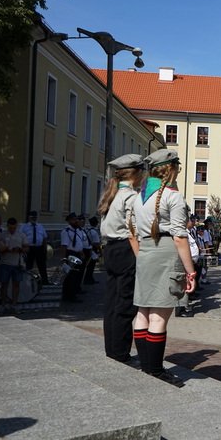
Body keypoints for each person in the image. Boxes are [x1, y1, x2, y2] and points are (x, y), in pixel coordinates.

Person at [133, 149, 196, 386]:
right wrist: (190, 271)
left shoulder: (139, 196)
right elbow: (180, 237)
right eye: (178, 166)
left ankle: (145, 364)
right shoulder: (173, 197)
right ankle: (156, 370)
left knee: (143, 312)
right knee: (159, 316)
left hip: (146, 252)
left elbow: (132, 231)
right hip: (166, 252)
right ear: (171, 169)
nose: (179, 170)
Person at [98, 153, 144, 364]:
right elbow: (133, 232)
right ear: (136, 173)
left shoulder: (111, 194)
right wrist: (141, 259)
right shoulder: (132, 197)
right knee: (126, 304)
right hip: (126, 250)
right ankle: (120, 352)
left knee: (112, 301)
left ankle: (112, 348)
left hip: (110, 249)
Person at [0, 217, 29, 311]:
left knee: (16, 284)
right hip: (5, 263)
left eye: (14, 228)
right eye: (10, 228)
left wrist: (20, 249)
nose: (12, 229)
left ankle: (14, 303)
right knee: (4, 284)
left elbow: (27, 248)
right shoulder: (2, 235)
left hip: (17, 263)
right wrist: (6, 249)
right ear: (7, 226)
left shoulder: (21, 235)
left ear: (16, 226)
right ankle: (3, 303)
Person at [21, 210, 49, 285]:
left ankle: (45, 281)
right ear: (29, 217)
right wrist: (23, 249)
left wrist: (45, 249)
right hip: (29, 248)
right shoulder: (24, 227)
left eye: (35, 217)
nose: (34, 218)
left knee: (42, 265)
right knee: (29, 265)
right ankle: (27, 281)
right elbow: (21, 238)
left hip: (39, 248)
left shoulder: (40, 226)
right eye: (32, 217)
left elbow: (44, 238)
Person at [83, 216, 101, 285]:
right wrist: (100, 251)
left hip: (87, 248)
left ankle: (90, 279)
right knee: (91, 266)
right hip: (93, 249)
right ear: (96, 223)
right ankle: (88, 279)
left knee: (88, 265)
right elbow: (97, 243)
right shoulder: (94, 232)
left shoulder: (87, 230)